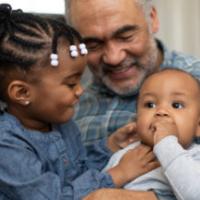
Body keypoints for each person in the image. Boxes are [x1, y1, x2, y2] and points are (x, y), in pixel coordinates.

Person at [0, 4, 159, 200]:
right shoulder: (6, 145)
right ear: (22, 92)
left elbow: (77, 172)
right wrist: (119, 174)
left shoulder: (61, 122)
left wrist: (108, 147)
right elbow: (52, 196)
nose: (81, 90)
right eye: (71, 83)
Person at [103, 68, 200, 200]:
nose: (161, 111)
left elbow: (195, 195)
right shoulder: (125, 156)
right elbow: (98, 193)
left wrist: (166, 143)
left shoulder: (195, 156)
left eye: (176, 105)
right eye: (150, 104)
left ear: (198, 126)